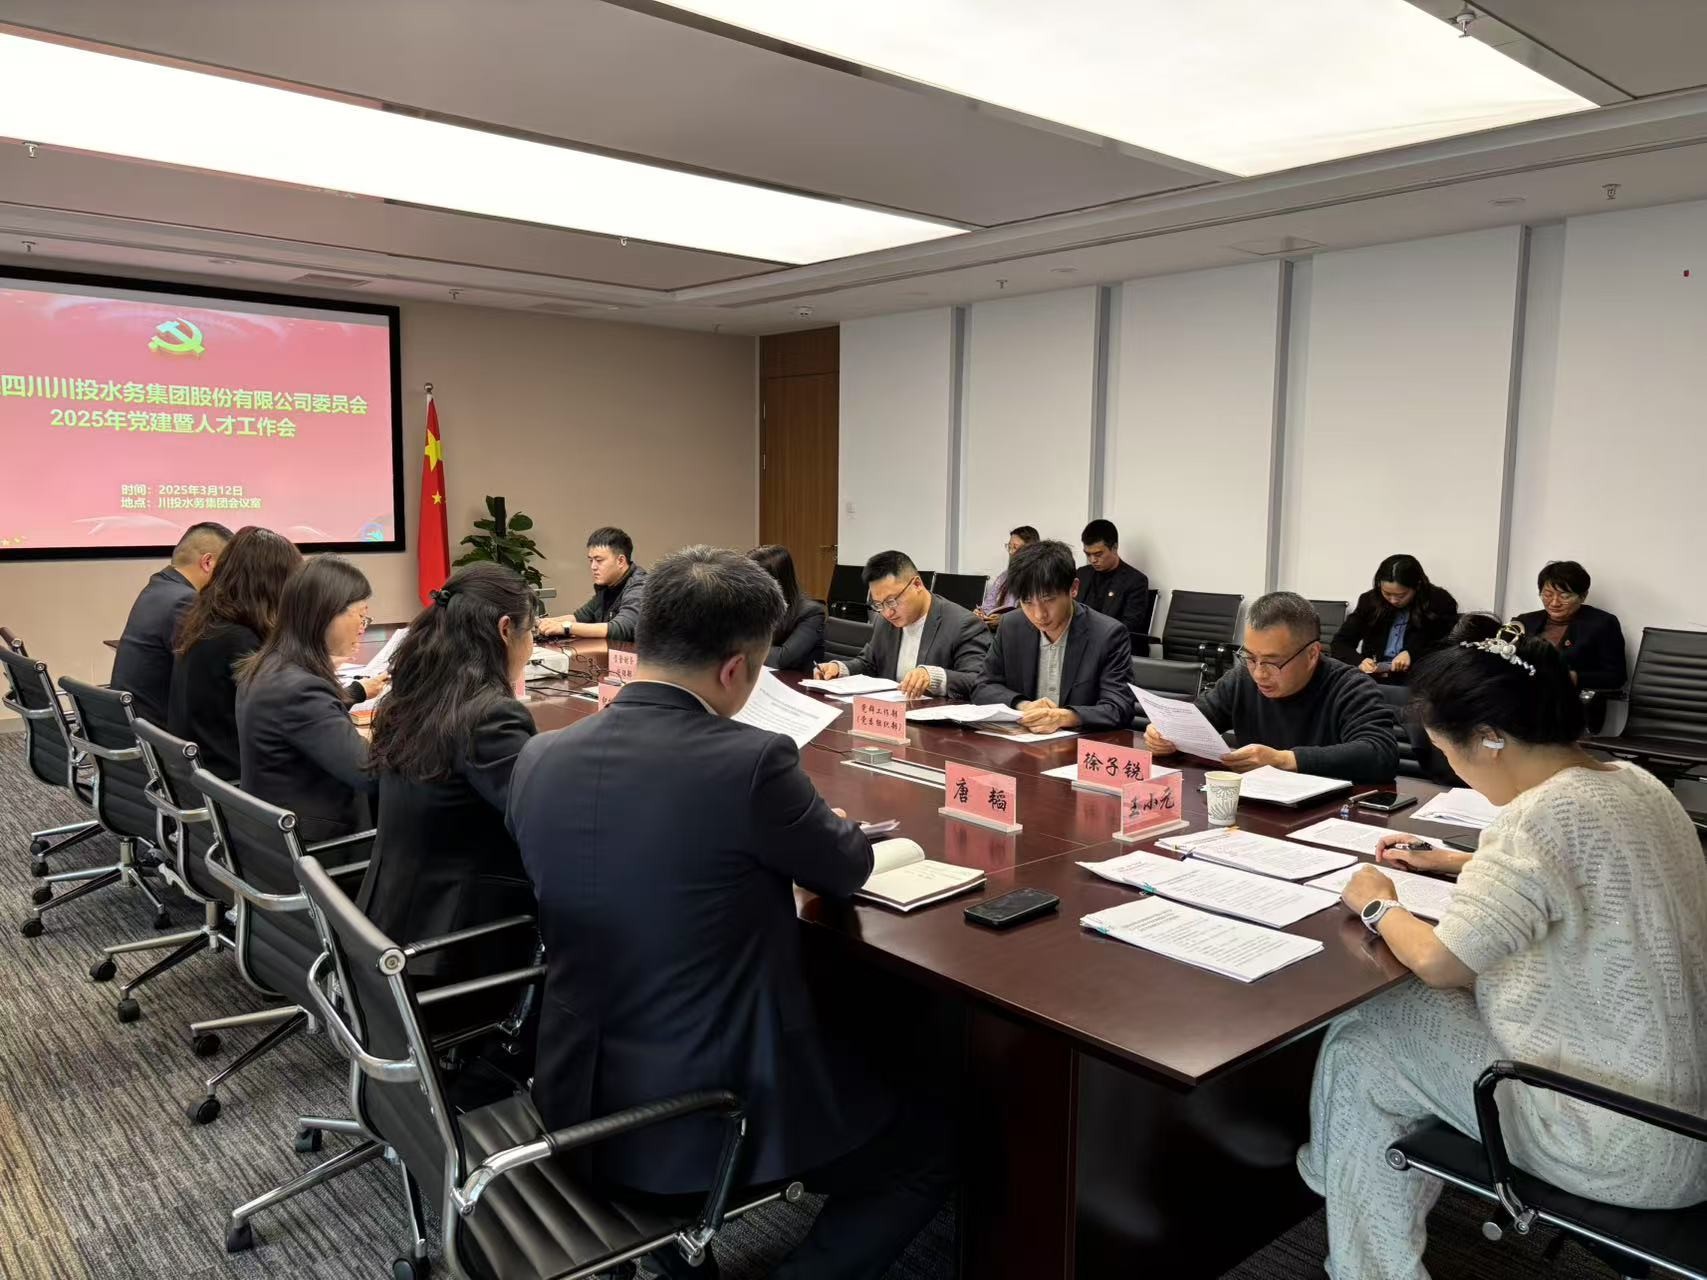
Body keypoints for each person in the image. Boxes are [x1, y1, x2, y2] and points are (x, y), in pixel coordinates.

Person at [507, 546, 952, 1279]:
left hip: (571, 1087)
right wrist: (823, 825)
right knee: (929, 1146)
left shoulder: (539, 757)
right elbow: (845, 868)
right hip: (706, 1108)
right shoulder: (750, 762)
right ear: (736, 669)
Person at [1302, 616, 1707, 1280]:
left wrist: (1377, 902)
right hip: (1686, 1118)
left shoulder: (1536, 818)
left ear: (1490, 739)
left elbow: (1440, 963)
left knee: (1364, 1040)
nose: (1454, 772)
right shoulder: (1638, 785)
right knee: (1377, 1034)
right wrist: (1459, 860)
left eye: (1447, 753)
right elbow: (1589, 878)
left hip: (1614, 1140)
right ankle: (1337, 1186)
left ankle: (1354, 1237)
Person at [360, 563, 537, 984]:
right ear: (505, 629)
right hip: (449, 956)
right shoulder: (490, 717)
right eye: (532, 632)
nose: (531, 646)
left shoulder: (411, 697)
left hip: (387, 934)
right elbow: (542, 822)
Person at [1146, 591, 1398, 783]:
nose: (1259, 673)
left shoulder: (1350, 686)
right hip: (1255, 808)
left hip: (1327, 814)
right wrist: (1167, 734)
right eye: (1250, 657)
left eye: (1272, 662)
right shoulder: (1242, 678)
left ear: (1312, 654)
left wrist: (1283, 759)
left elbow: (1380, 753)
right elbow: (1198, 719)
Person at [236, 556, 379, 843]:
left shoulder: (271, 663)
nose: (363, 627)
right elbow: (370, 774)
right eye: (361, 616)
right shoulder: (300, 690)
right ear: (325, 615)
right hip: (318, 846)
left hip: (276, 833)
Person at [166, 527, 304, 779]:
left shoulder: (206, 624)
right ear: (273, 584)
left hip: (202, 774)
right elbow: (294, 717)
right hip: (232, 783)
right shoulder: (240, 642)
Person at [972, 539, 1135, 732]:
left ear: (1073, 588)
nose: (1039, 614)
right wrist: (1023, 705)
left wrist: (1065, 717)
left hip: (1079, 743)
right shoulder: (1011, 626)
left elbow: (1119, 708)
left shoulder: (1107, 635)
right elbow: (983, 687)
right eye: (1027, 602)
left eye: (1048, 600)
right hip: (1022, 740)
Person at [812, 550, 988, 698]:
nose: (887, 612)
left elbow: (979, 681)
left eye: (892, 601)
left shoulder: (962, 624)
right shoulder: (884, 620)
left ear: (917, 584)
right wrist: (840, 669)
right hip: (891, 716)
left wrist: (934, 677)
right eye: (879, 604)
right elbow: (869, 663)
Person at [110, 522, 232, 726]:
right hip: (155, 735)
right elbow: (207, 680)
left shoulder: (158, 587)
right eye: (228, 569)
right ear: (208, 562)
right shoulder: (186, 601)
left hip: (129, 725)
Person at [1329, 554, 1460, 681]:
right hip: (1375, 677)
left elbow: (1448, 645)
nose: (1393, 600)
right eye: (1387, 593)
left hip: (1419, 677)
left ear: (1417, 586)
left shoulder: (1440, 602)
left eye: (1401, 595)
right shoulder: (1369, 601)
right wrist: (1359, 661)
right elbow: (1340, 643)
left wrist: (1412, 654)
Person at [1515, 559, 1628, 696]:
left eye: (1564, 596)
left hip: (1571, 700)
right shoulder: (1524, 622)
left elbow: (1616, 676)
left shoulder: (1602, 624)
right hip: (1522, 695)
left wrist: (1573, 678)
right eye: (1547, 595)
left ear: (1583, 596)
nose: (1554, 603)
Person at [536, 526, 647, 641]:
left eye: (599, 560)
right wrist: (539, 622)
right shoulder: (608, 587)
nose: (593, 567)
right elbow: (579, 617)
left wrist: (567, 627)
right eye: (591, 560)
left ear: (620, 561)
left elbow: (620, 629)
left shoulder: (640, 587)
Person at [1076, 518, 1152, 656]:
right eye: (1088, 554)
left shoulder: (1135, 581)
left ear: (1114, 548)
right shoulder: (1081, 574)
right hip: (1082, 647)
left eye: (1098, 554)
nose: (1093, 560)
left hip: (1114, 650)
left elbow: (1128, 627)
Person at [749, 544, 825, 673]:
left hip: (796, 681)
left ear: (776, 581)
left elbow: (781, 659)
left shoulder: (811, 613)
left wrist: (742, 646)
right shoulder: (752, 604)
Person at [975, 525, 1039, 627]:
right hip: (994, 629)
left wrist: (1005, 620)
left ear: (1030, 550)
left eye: (1015, 547)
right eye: (1009, 547)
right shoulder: (1004, 577)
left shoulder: (1039, 578)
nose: (1011, 552)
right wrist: (981, 613)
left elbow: (1036, 614)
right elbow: (988, 606)